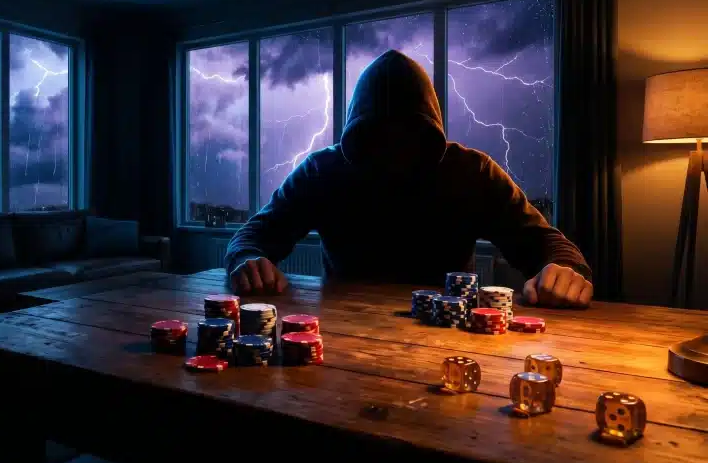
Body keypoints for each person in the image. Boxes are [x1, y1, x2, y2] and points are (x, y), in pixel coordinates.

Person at [224, 49, 594, 309]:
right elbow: (253, 236)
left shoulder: (472, 172)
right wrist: (247, 258)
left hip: (448, 337)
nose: (392, 153)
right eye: (377, 138)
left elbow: (545, 243)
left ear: (430, 134)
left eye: (407, 137)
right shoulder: (323, 172)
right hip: (346, 331)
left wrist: (565, 271)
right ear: (357, 136)